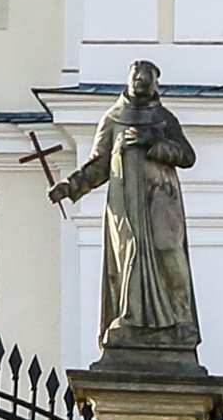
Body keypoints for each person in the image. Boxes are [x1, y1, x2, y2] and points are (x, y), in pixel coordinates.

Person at [50, 59, 200, 352]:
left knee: (168, 249)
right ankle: (129, 319)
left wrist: (153, 142)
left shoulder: (165, 119)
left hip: (160, 196)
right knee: (126, 256)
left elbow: (187, 156)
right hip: (124, 200)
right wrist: (70, 186)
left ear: (156, 84)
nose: (140, 82)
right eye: (136, 78)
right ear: (129, 81)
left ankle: (181, 319)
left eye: (146, 78)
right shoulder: (113, 118)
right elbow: (98, 164)